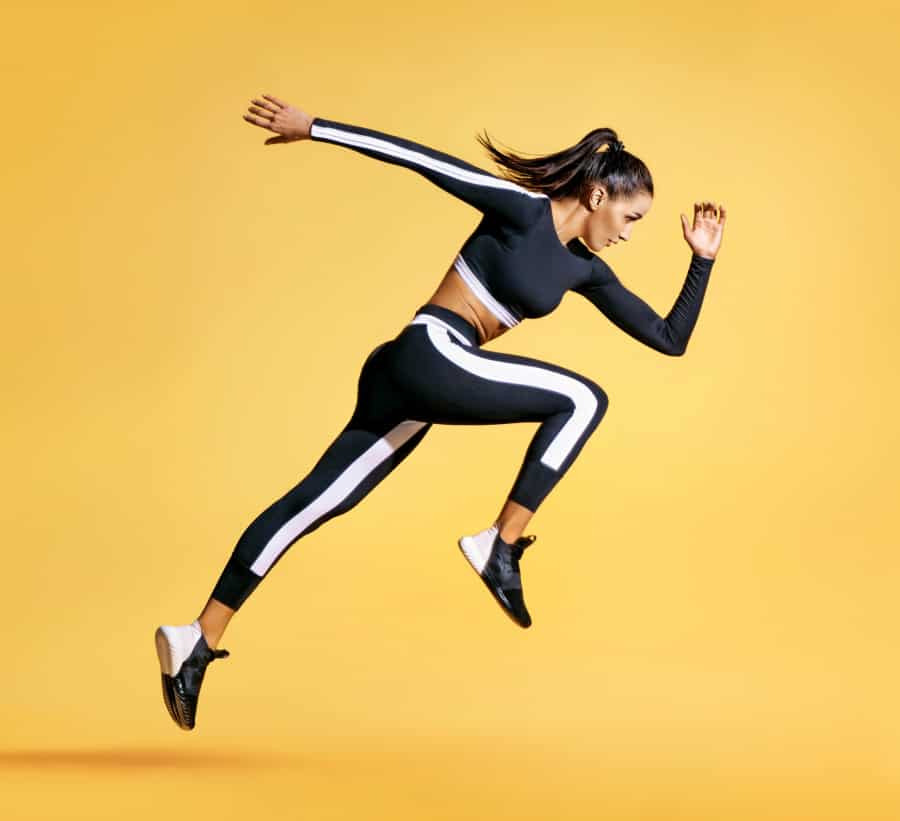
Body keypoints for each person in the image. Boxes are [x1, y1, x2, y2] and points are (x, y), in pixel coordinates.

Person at [155, 93, 726, 731]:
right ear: (598, 196)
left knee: (311, 505)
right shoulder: (521, 212)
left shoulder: (585, 272)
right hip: (430, 350)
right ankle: (498, 546)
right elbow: (422, 160)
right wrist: (312, 127)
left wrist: (701, 259)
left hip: (416, 384)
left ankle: (194, 640)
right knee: (584, 397)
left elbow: (668, 339)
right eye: (631, 216)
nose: (628, 232)